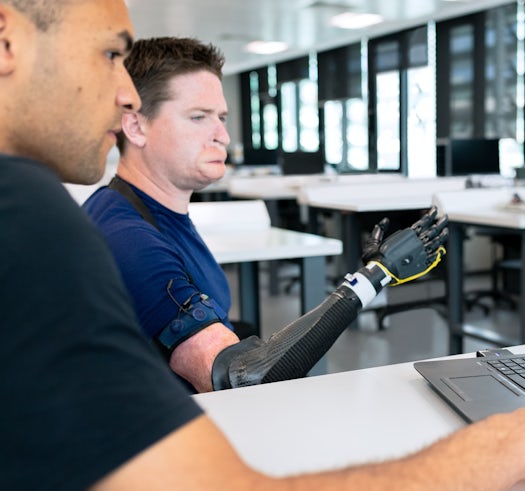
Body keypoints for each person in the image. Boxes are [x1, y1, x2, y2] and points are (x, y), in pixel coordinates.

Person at [0, 1, 525, 489]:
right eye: (110, 54)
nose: (123, 93)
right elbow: (241, 376)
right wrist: (515, 439)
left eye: (222, 116)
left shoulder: (127, 215)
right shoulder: (86, 227)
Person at [82, 36, 447, 393]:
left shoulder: (151, 211)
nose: (222, 136)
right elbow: (241, 376)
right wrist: (374, 276)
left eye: (221, 117)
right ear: (136, 126)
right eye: (198, 117)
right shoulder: (128, 239)